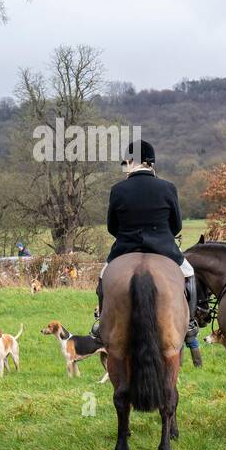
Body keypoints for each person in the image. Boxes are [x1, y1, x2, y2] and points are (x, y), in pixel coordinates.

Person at [92, 140, 196, 340]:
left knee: (104, 276)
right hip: (163, 248)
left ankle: (101, 322)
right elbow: (177, 225)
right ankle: (190, 323)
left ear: (132, 161)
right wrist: (163, 237)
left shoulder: (118, 189)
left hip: (125, 248)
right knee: (189, 273)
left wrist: (127, 237)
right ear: (151, 162)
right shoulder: (168, 187)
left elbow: (112, 227)